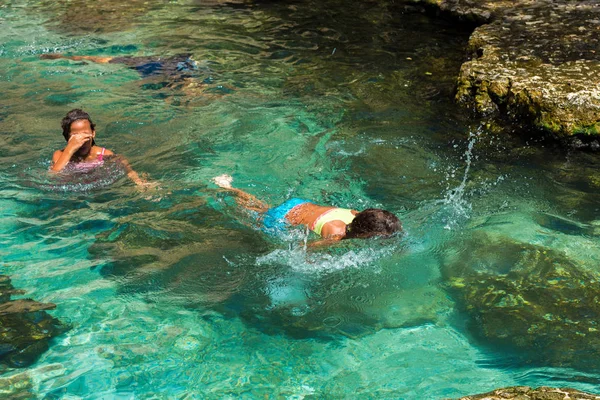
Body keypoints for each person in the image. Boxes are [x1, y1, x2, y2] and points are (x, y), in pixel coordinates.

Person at [212, 174, 401, 243]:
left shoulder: (355, 214)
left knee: (262, 207)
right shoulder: (336, 234)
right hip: (281, 218)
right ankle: (228, 191)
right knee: (252, 216)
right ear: (366, 232)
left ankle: (230, 187)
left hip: (299, 204)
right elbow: (308, 250)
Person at [50, 108, 152, 188]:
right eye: (76, 136)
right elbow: (54, 176)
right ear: (67, 138)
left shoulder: (104, 154)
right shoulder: (60, 154)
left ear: (93, 133)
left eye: (85, 134)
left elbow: (127, 169)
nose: (81, 140)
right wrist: (70, 149)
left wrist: (139, 183)